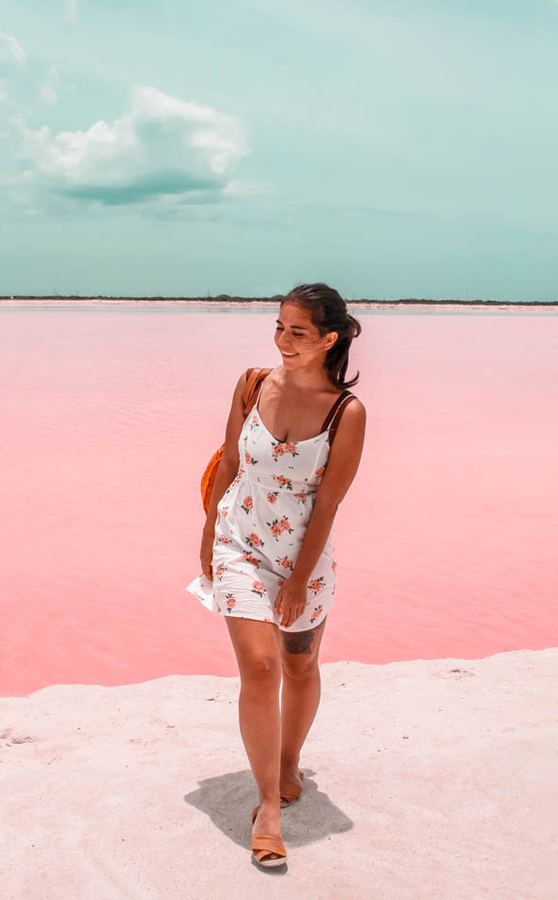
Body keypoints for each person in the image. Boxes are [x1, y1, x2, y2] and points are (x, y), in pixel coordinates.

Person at [184, 282, 366, 867]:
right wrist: (210, 530)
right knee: (260, 669)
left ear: (329, 339)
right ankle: (267, 806)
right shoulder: (252, 383)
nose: (282, 341)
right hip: (241, 542)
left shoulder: (347, 412)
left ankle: (289, 762)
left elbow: (329, 504)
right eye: (279, 327)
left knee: (299, 662)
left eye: (298, 332)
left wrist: (296, 579)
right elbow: (231, 459)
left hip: (304, 559)